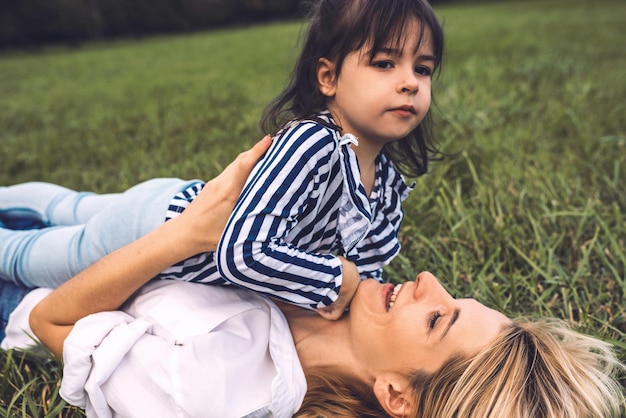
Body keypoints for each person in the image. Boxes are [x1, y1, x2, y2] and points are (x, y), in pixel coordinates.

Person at [2, 140, 624, 417]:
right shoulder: (340, 290)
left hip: (32, 296)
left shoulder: (212, 388)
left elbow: (51, 318)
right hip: (141, 219)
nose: (429, 280)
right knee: (62, 203)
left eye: (437, 319)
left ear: (396, 396)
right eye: (455, 297)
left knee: (28, 242)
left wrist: (184, 237)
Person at [0, 0, 444, 320]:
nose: (409, 82)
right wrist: (331, 283)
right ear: (327, 76)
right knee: (36, 254)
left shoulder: (385, 179)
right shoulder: (312, 143)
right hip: (153, 235)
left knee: (73, 206)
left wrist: (357, 294)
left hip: (175, 200)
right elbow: (243, 252)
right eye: (385, 63)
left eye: (422, 69)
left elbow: (366, 267)